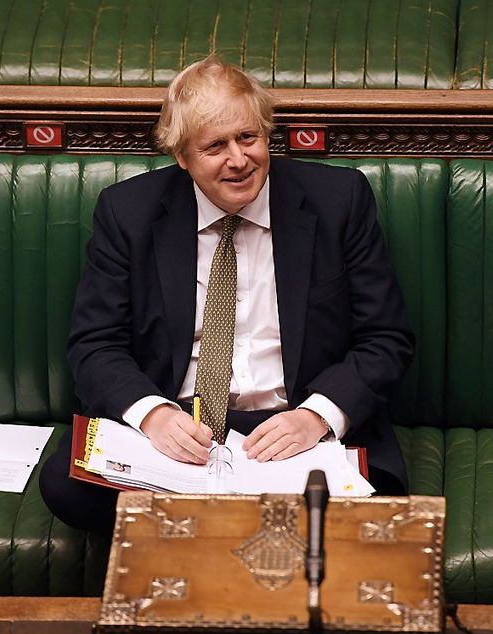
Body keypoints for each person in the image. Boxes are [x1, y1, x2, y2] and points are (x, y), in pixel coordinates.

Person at [40, 55, 414, 533]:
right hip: (179, 428)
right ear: (183, 157)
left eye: (248, 137)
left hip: (295, 427)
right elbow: (94, 345)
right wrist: (152, 414)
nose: (238, 159)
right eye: (215, 146)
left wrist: (315, 417)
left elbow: (386, 339)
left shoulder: (339, 200)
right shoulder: (127, 212)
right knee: (66, 486)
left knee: (374, 498)